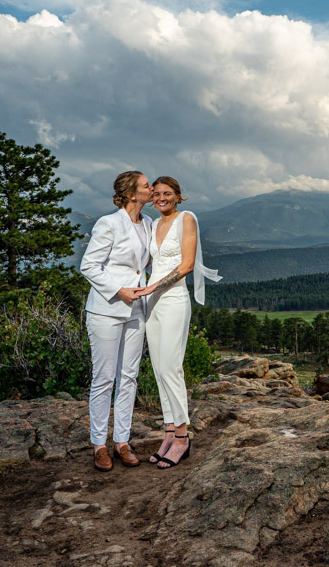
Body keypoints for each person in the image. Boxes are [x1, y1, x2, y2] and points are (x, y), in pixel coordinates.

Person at [141, 175, 220, 468]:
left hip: (173, 300)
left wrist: (152, 287)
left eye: (167, 193)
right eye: (157, 193)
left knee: (172, 367)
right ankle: (168, 432)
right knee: (159, 369)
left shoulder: (186, 219)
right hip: (152, 304)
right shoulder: (152, 224)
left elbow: (186, 265)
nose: (161, 198)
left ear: (177, 196)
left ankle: (183, 438)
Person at [79, 171, 153, 472]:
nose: (152, 188)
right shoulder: (108, 223)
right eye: (147, 185)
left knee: (129, 376)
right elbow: (89, 266)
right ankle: (99, 444)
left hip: (136, 311)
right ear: (132, 194)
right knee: (104, 377)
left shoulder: (148, 224)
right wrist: (119, 291)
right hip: (107, 310)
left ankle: (122, 441)